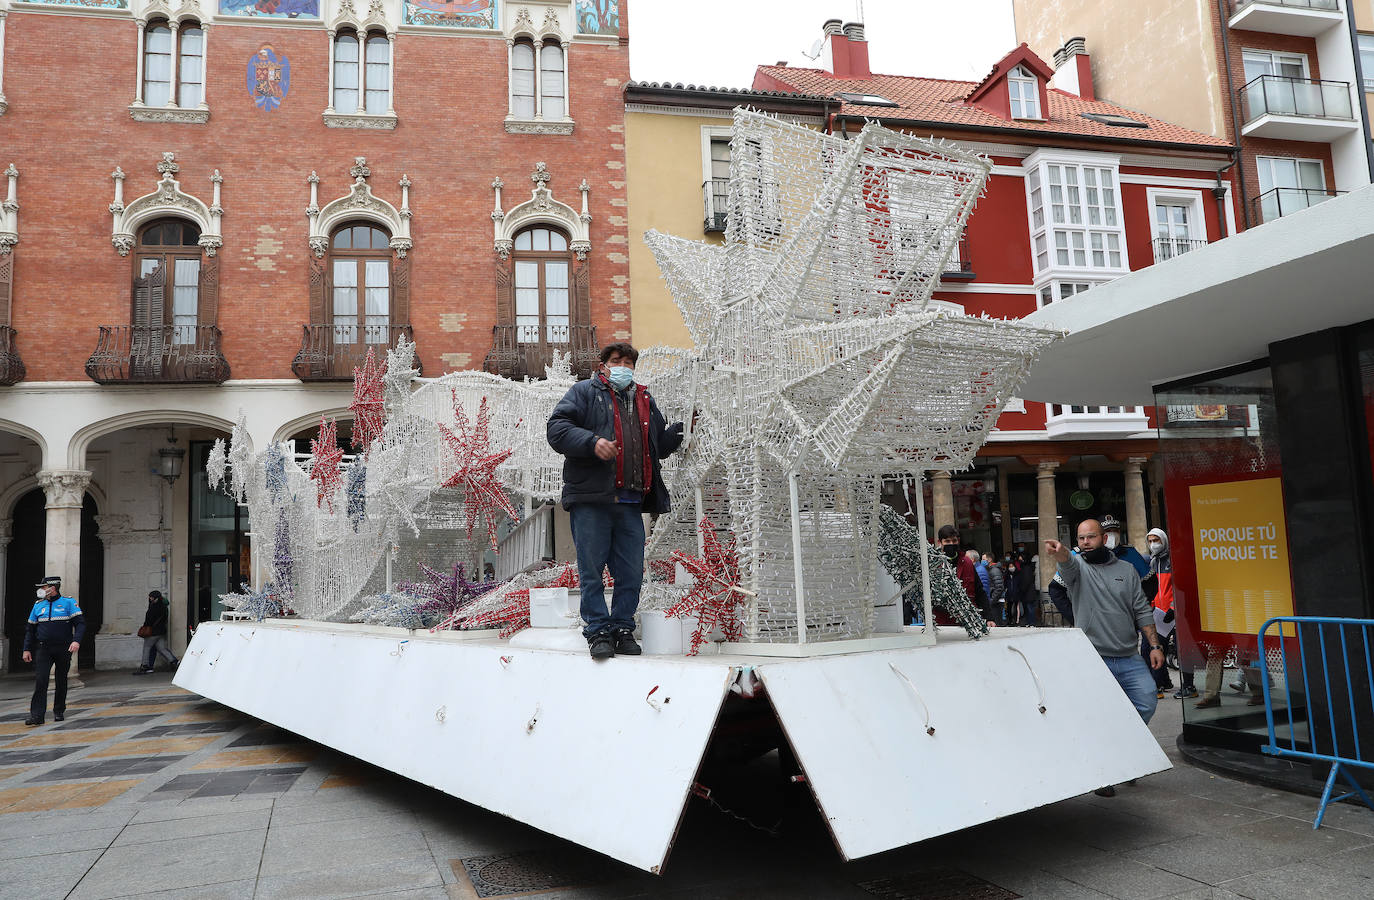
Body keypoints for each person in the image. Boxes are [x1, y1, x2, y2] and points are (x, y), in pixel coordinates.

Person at [547, 342, 684, 660]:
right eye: (616, 360)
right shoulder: (583, 392)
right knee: (591, 570)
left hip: (631, 501)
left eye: (628, 362)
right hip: (592, 498)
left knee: (631, 571)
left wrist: (677, 432)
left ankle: (622, 628)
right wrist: (593, 442)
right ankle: (597, 631)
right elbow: (557, 429)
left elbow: (656, 446)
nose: (623, 366)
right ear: (603, 365)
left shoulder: (644, 400)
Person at [1046, 520, 1164, 796]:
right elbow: (1067, 563)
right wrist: (1061, 552)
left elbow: (1141, 609)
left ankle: (1123, 755)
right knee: (1099, 715)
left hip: (1128, 655)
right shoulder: (1077, 568)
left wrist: (1155, 645)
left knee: (1146, 702)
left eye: (1091, 537)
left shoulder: (1127, 570)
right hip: (1093, 656)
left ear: (1105, 538)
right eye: (1081, 538)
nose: (1086, 542)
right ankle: (1105, 772)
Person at [22, 576, 85, 727]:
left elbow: (80, 624)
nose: (41, 590)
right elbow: (30, 630)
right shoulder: (37, 605)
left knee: (61, 679)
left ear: (53, 588)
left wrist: (76, 641)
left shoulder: (68, 602)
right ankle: (37, 715)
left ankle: (59, 711)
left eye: (43, 587)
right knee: (41, 680)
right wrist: (26, 649)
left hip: (63, 647)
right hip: (44, 648)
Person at [1139, 528, 1175, 699]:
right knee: (1152, 648)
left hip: (1171, 614)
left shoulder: (1172, 561)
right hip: (1157, 613)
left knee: (1156, 648)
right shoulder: (1151, 562)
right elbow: (1152, 588)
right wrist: (1151, 606)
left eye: (1156, 540)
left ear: (1163, 541)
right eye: (1150, 540)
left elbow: (1178, 587)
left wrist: (1173, 608)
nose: (1153, 544)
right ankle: (1162, 682)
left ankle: (1159, 685)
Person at [133, 590, 179, 675]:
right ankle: (174, 661)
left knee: (147, 647)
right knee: (161, 648)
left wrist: (145, 626)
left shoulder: (154, 607)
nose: (150, 598)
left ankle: (145, 666)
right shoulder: (164, 607)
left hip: (153, 632)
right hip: (161, 631)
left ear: (155, 598)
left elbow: (148, 620)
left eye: (151, 597)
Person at [983, 554, 1006, 622]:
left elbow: (999, 587)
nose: (982, 561)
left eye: (983, 559)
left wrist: (992, 600)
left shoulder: (994, 570)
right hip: (995, 601)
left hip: (996, 602)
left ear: (989, 560)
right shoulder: (990, 569)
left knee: (997, 622)